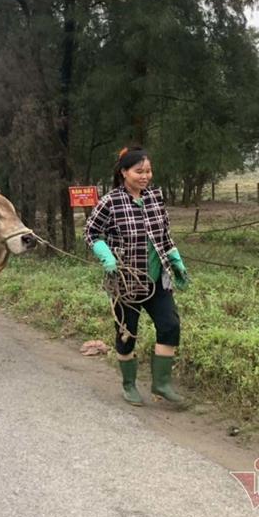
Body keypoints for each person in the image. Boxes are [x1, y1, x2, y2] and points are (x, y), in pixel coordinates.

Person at [83, 147, 190, 407]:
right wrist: (106, 255)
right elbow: (91, 232)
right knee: (126, 334)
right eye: (139, 171)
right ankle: (129, 385)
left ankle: (161, 384)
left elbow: (164, 234)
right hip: (126, 283)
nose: (145, 176)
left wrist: (175, 261)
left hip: (157, 279)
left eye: (148, 171)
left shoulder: (155, 197)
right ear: (124, 173)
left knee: (170, 325)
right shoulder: (110, 201)